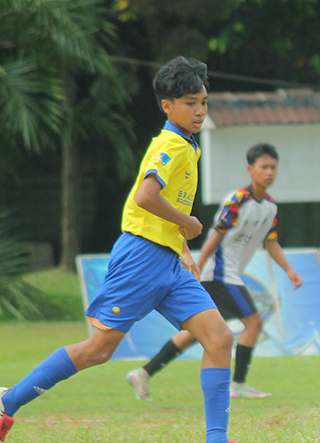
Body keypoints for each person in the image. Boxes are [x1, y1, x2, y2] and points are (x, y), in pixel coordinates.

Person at [0, 57, 270, 443]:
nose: (201, 110)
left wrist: (183, 248)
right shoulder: (170, 144)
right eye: (191, 103)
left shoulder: (187, 144)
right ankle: (6, 402)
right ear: (167, 106)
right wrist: (188, 224)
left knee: (220, 338)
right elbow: (146, 198)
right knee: (98, 350)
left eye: (204, 101)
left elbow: (161, 207)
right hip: (140, 259)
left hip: (167, 260)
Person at [126, 142, 303, 401]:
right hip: (219, 274)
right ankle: (238, 384)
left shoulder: (270, 207)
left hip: (227, 274)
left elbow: (271, 241)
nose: (269, 172)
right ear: (250, 169)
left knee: (198, 333)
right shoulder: (238, 199)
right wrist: (198, 263)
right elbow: (215, 234)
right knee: (254, 322)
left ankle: (143, 373)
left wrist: (289, 270)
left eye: (273, 168)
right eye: (264, 167)